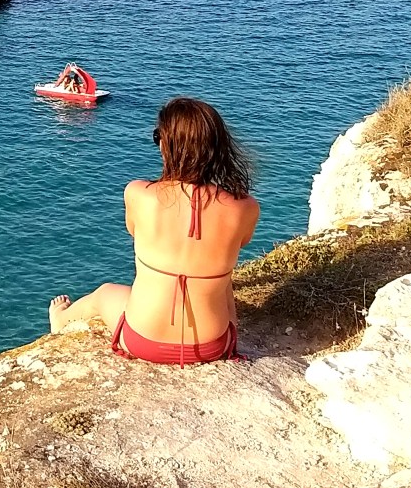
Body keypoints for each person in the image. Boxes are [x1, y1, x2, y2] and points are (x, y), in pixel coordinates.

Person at [47, 97, 259, 366]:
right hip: (212, 346)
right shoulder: (245, 207)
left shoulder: (138, 194)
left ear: (165, 144)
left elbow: (134, 231)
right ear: (217, 147)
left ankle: (61, 319)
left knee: (104, 293)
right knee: (223, 281)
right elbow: (240, 242)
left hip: (142, 340)